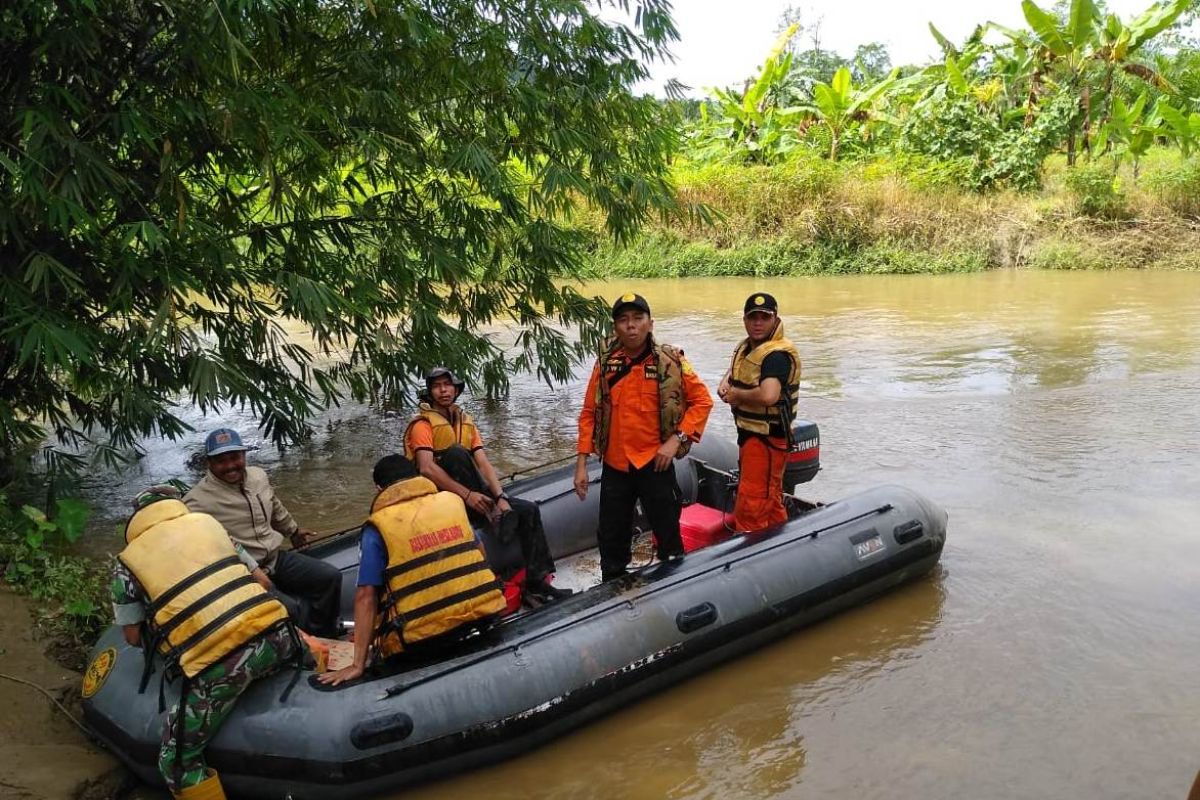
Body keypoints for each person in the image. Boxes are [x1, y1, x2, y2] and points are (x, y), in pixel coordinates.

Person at [111, 485, 298, 800]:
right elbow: (264, 582)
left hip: (220, 666)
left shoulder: (125, 564)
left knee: (176, 760)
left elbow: (131, 636)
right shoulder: (211, 526)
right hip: (280, 636)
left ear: (136, 520)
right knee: (299, 653)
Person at [319, 454, 506, 686]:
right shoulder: (452, 502)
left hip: (421, 640)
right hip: (481, 616)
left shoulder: (378, 527)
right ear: (415, 476)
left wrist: (358, 664)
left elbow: (366, 597)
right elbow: (480, 554)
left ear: (379, 489)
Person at [574, 293, 713, 581]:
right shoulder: (605, 364)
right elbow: (589, 413)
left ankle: (674, 584)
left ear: (650, 323)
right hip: (616, 465)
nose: (631, 326)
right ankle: (612, 586)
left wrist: (675, 440)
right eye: (623, 320)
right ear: (615, 328)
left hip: (656, 464)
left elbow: (702, 402)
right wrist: (581, 465)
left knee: (668, 534)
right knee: (611, 537)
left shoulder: (671, 361)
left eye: (638, 319)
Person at [403, 368, 572, 604]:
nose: (443, 390)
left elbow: (482, 461)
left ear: (456, 389)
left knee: (529, 510)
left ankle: (536, 582)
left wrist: (501, 496)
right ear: (430, 392)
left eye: (447, 385)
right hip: (443, 500)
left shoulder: (466, 421)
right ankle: (494, 516)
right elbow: (426, 468)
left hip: (475, 495)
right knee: (455, 454)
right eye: (437, 386)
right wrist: (468, 495)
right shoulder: (423, 425)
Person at [184, 428, 342, 637]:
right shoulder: (196, 502)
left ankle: (325, 636)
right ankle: (306, 647)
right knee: (291, 610)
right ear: (209, 463)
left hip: (275, 558)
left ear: (244, 455)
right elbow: (214, 546)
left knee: (329, 577)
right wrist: (252, 570)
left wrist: (293, 530)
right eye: (221, 460)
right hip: (244, 574)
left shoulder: (258, 477)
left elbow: (275, 507)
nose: (230, 465)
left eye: (235, 457)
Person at [717, 292, 801, 531]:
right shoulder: (748, 348)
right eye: (753, 317)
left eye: (765, 317)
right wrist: (726, 381)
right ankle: (780, 542)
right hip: (751, 436)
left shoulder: (776, 356)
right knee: (770, 497)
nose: (758, 323)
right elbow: (740, 370)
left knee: (751, 503)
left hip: (766, 439)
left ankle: (749, 549)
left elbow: (768, 395)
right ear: (744, 319)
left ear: (775, 320)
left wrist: (736, 395)